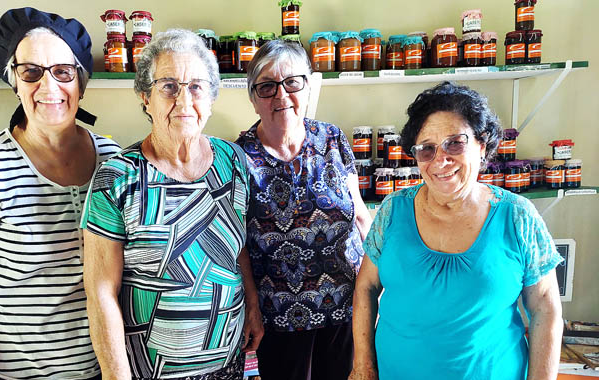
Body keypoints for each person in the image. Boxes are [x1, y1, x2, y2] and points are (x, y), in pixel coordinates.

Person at [0, 7, 120, 380]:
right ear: (13, 80)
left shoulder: (112, 161)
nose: (49, 88)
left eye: (63, 72)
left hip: (102, 367)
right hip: (16, 372)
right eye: (32, 72)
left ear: (80, 83)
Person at [81, 28, 263, 380]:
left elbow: (238, 252)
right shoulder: (116, 178)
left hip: (228, 363)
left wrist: (253, 306)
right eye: (168, 86)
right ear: (145, 98)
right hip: (151, 370)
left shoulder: (234, 162)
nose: (183, 101)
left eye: (196, 86)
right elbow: (101, 291)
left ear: (210, 98)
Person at [350, 81, 564, 380]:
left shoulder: (517, 216)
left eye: (455, 143)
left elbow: (545, 309)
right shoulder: (392, 210)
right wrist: (363, 367)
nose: (441, 159)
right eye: (427, 149)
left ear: (481, 145)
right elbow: (366, 288)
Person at [235, 40, 372, 380]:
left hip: (345, 307)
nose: (281, 96)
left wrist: (376, 289)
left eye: (292, 82)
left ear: (308, 86)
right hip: (280, 317)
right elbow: (238, 247)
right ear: (253, 99)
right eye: (266, 86)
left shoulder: (334, 140)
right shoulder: (237, 158)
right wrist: (251, 307)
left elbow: (359, 216)